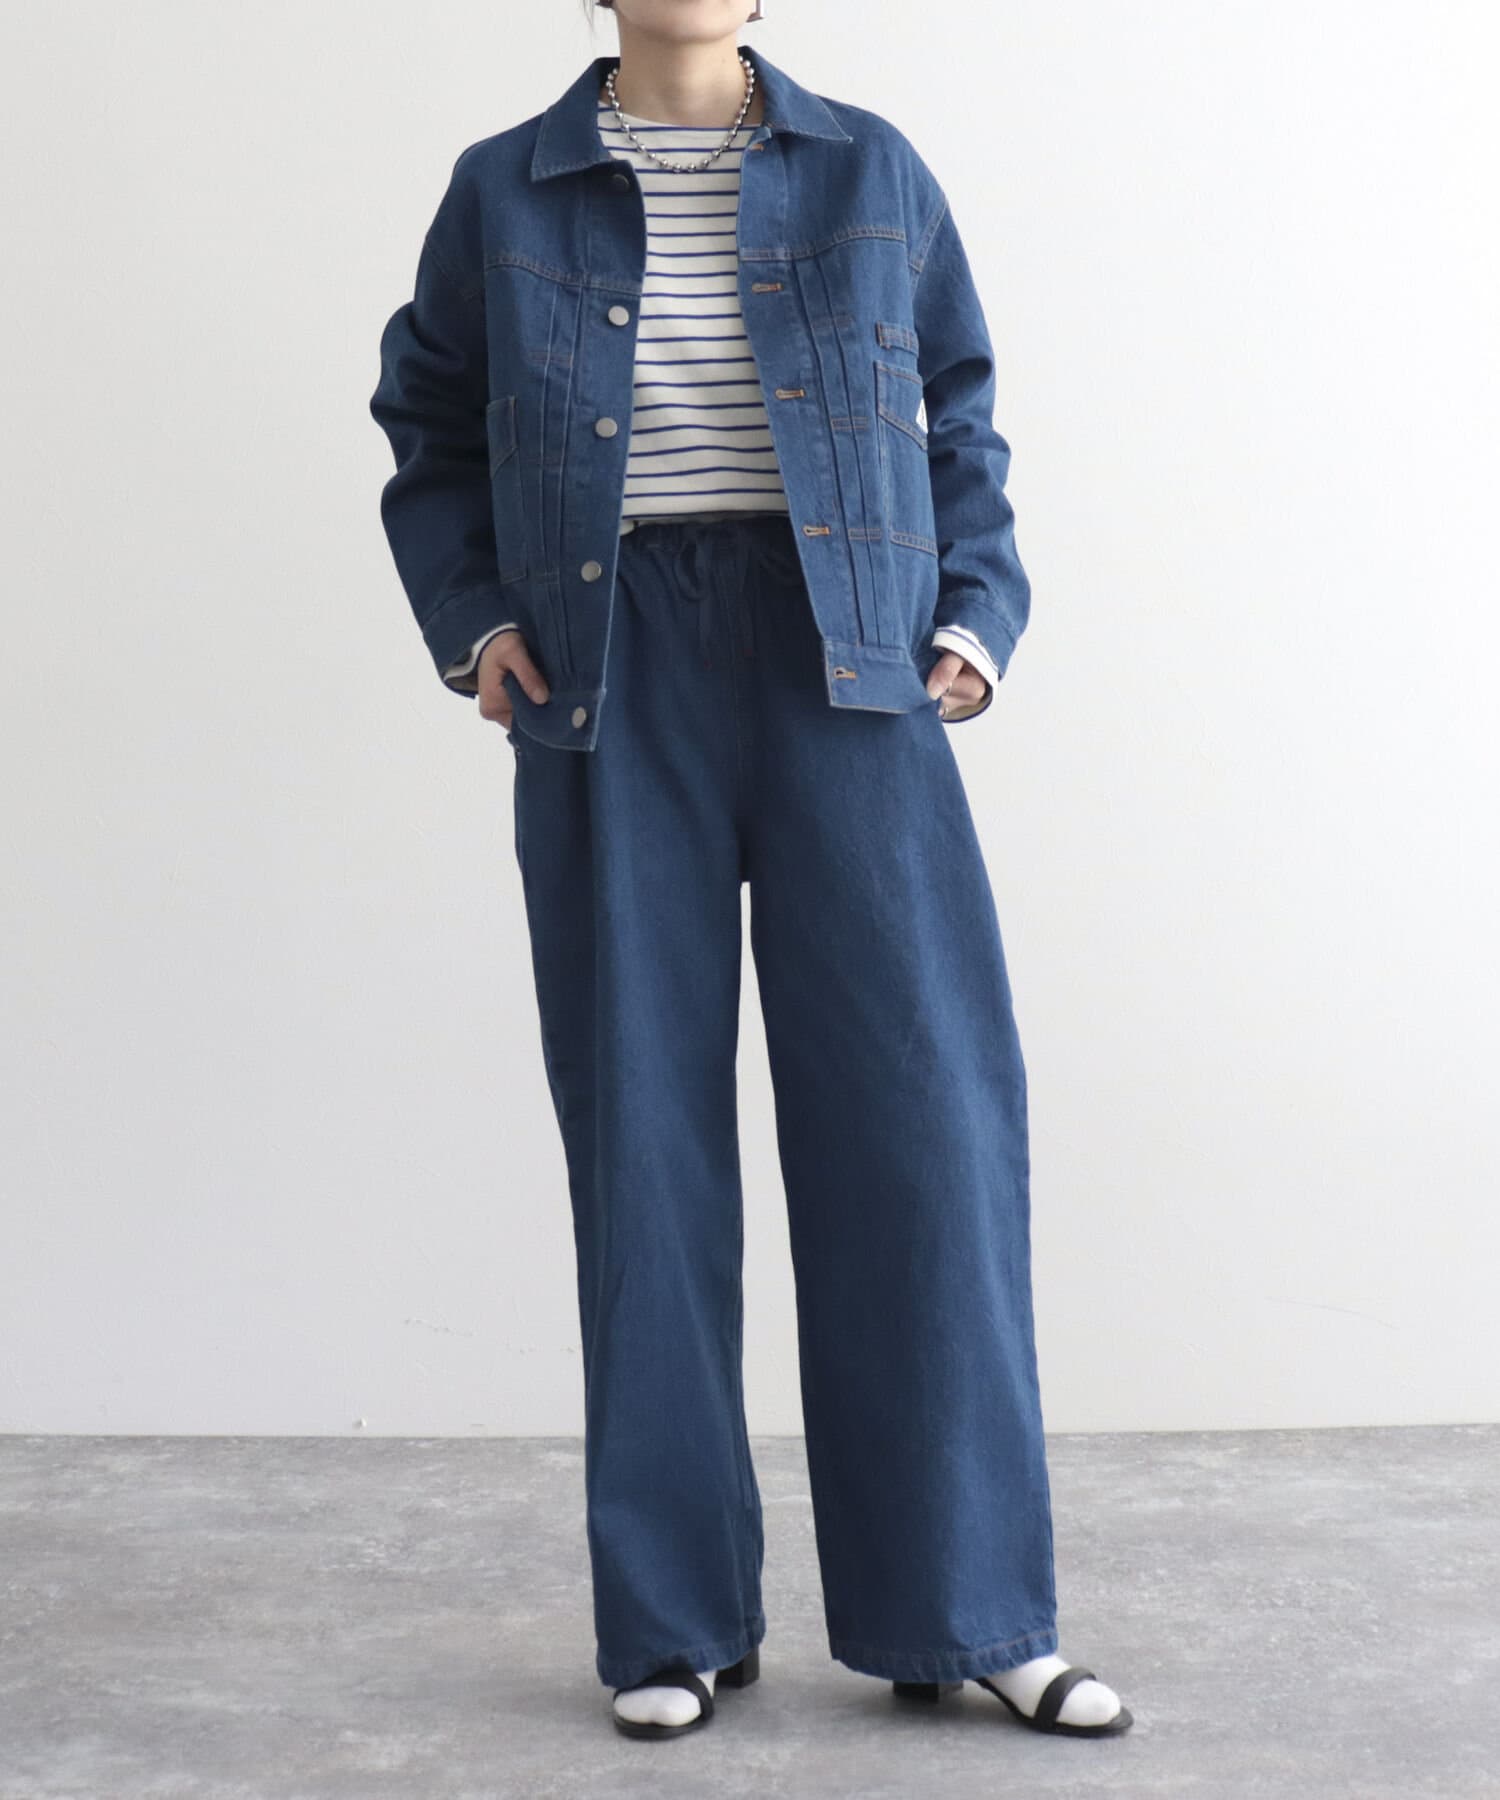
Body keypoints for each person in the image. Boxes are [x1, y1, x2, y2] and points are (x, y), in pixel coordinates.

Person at [369, 0, 1133, 1744]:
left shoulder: (873, 171)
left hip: (846, 655)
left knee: (924, 1129)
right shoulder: (504, 189)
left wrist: (976, 615)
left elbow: (961, 410)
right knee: (645, 1140)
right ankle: (674, 1621)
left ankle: (970, 1609)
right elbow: (428, 423)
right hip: (606, 663)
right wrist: (475, 618)